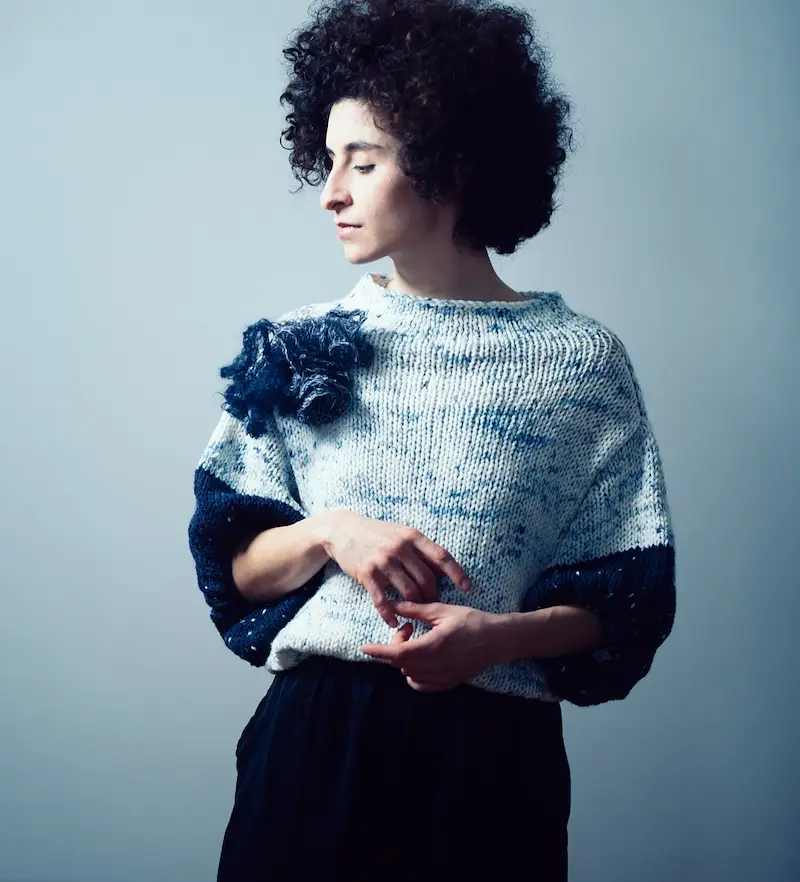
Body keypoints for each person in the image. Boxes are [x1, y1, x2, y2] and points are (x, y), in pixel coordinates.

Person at [187, 1, 677, 879]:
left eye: (363, 161)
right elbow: (236, 572)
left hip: (491, 769)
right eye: (328, 160)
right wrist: (330, 531)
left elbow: (628, 603)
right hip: (315, 753)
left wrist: (496, 639)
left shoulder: (581, 363)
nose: (331, 191)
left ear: (450, 161)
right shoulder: (294, 348)